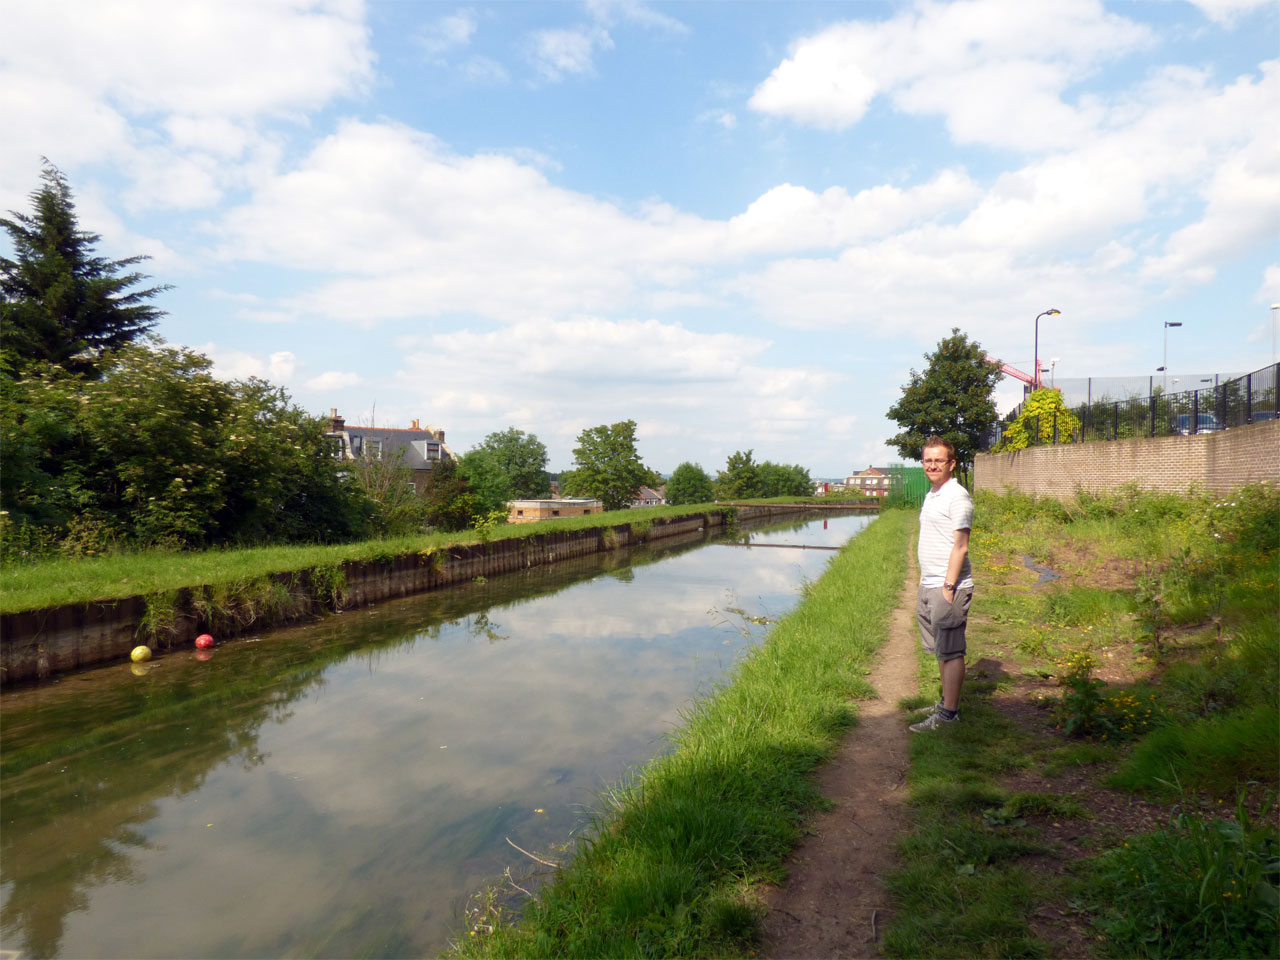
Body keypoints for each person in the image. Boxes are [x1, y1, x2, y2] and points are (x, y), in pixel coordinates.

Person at [909, 436, 973, 732]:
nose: (932, 465)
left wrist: (948, 588)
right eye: (928, 460)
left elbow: (960, 546)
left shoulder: (956, 496)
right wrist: (924, 581)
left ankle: (949, 714)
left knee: (951, 651)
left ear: (951, 463)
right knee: (939, 650)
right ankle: (945, 702)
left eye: (939, 460)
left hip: (948, 587)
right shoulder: (933, 493)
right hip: (930, 584)